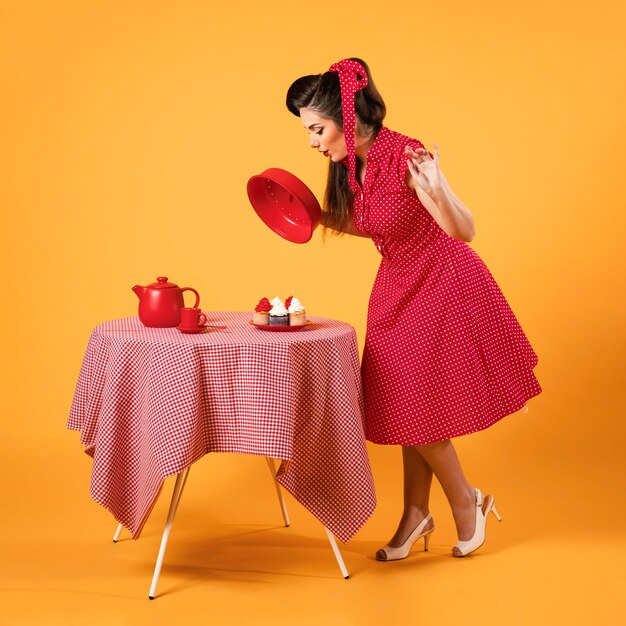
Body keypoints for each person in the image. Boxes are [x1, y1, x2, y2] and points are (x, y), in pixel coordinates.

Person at [285, 58, 542, 560]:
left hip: (442, 282)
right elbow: (379, 225)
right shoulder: (349, 165)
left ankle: (466, 501)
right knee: (406, 400)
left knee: (416, 401)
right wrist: (320, 218)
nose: (313, 142)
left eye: (317, 129)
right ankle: (415, 514)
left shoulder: (407, 154)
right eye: (308, 132)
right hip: (395, 284)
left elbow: (463, 232)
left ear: (347, 117)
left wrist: (438, 187)